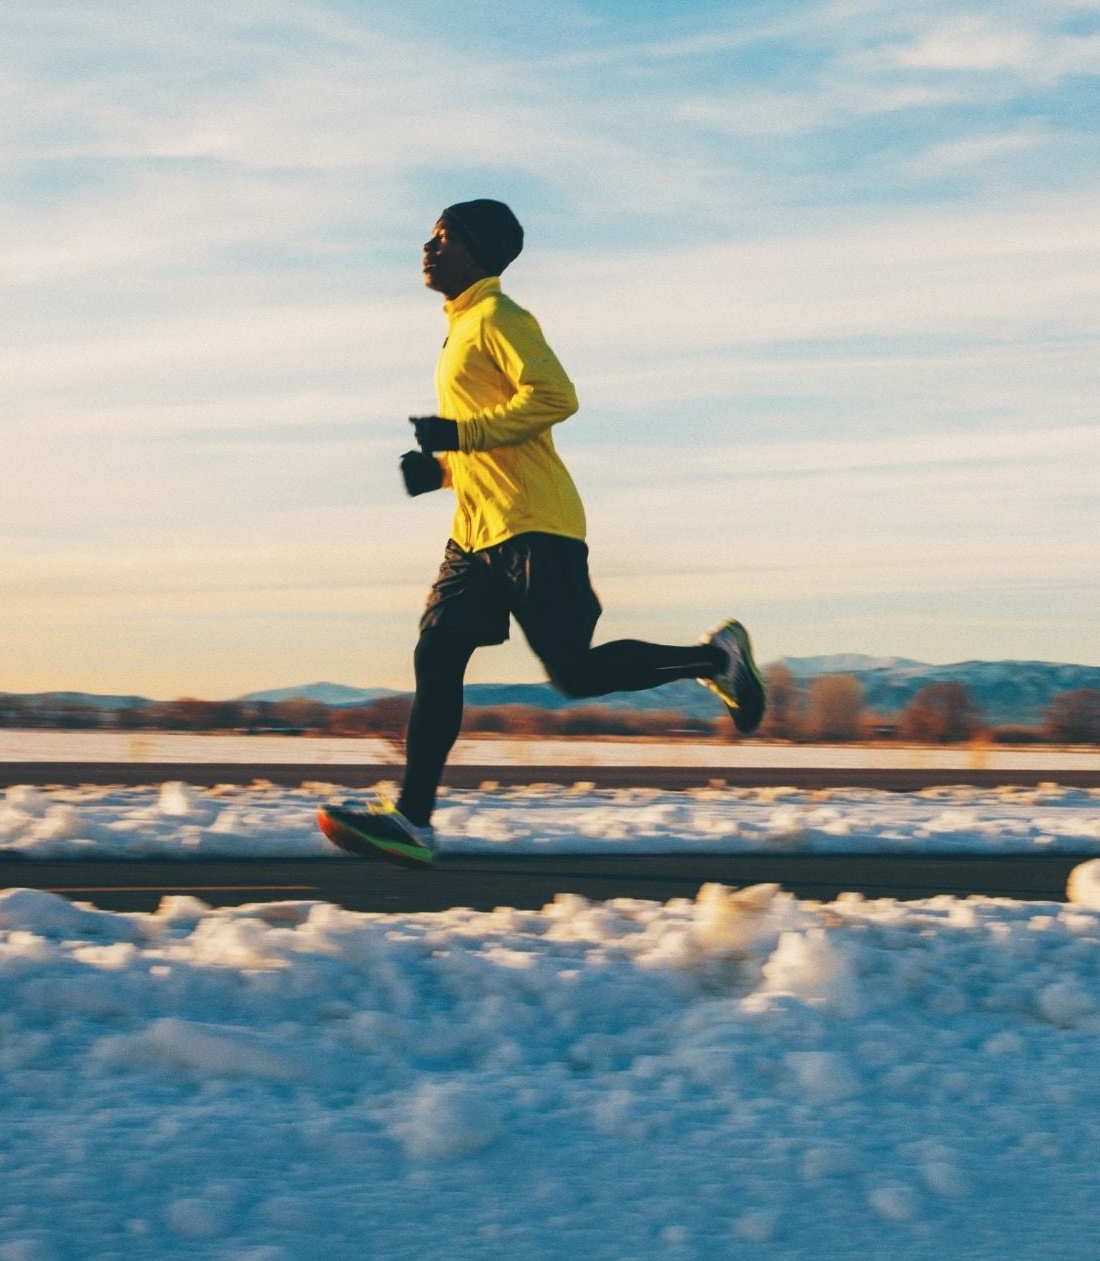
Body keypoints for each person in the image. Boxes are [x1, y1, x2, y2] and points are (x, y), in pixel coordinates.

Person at [317, 199, 765, 869]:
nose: (428, 247)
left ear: (476, 250)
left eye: (444, 238)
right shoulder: (461, 328)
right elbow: (496, 438)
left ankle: (715, 660)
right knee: (436, 655)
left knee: (574, 674)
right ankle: (412, 821)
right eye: (432, 236)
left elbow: (555, 397)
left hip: (536, 524)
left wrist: (460, 435)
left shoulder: (500, 317)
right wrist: (439, 471)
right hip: (475, 533)